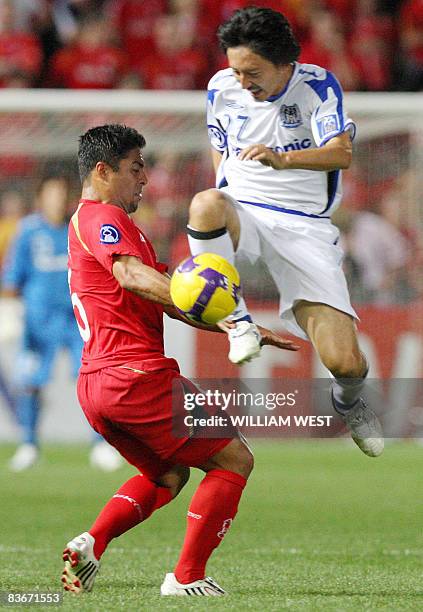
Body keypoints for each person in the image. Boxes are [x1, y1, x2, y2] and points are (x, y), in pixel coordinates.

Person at [63, 123, 296, 597]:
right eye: (135, 168)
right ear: (103, 171)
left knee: (167, 475)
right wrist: (201, 297)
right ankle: (187, 578)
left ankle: (91, 543)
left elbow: (171, 302)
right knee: (234, 459)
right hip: (136, 375)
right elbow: (130, 276)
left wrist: (235, 325)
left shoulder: (122, 229)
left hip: (98, 385)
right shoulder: (99, 218)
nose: (145, 178)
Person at [186, 7, 384, 457]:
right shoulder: (220, 88)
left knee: (344, 362)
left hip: (304, 227)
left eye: (251, 72)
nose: (241, 81)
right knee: (205, 202)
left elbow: (341, 153)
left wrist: (284, 158)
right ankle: (238, 322)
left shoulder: (316, 86)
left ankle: (349, 400)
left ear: (283, 62)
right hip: (244, 210)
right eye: (235, 70)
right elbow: (221, 153)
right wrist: (225, 202)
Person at [1, 174, 121, 471]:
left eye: (61, 194)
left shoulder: (77, 226)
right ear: (41, 198)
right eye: (51, 194)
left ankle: (100, 445)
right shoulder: (28, 231)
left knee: (93, 379)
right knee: (29, 382)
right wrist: (11, 308)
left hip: (77, 319)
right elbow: (13, 276)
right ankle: (29, 445)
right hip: (37, 321)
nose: (57, 199)